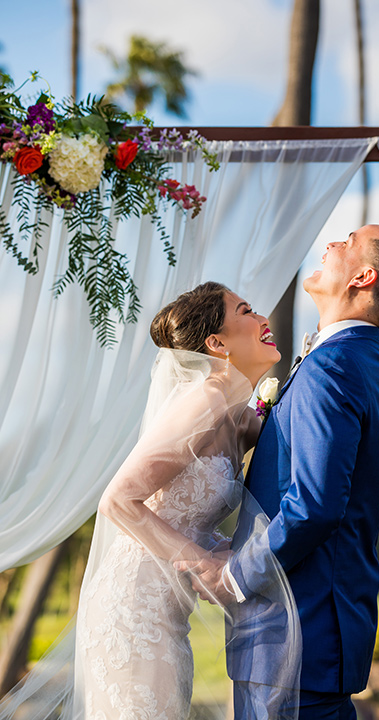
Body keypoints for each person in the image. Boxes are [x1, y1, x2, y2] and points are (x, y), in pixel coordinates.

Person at [176, 220, 379, 719]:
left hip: (296, 633)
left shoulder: (335, 366)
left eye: (350, 241)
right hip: (303, 634)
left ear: (363, 277)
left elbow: (315, 506)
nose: (334, 242)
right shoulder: (353, 359)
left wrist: (233, 575)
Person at [72, 281, 301, 719]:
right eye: (247, 311)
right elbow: (118, 500)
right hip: (132, 610)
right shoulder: (204, 401)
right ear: (217, 343)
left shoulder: (236, 416)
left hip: (167, 611)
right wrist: (204, 562)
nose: (263, 319)